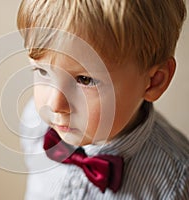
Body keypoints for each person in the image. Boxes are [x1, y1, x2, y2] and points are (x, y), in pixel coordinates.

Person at [17, 0, 189, 199]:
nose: (55, 105)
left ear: (153, 82)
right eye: (42, 71)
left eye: (85, 79)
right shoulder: (34, 122)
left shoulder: (177, 182)